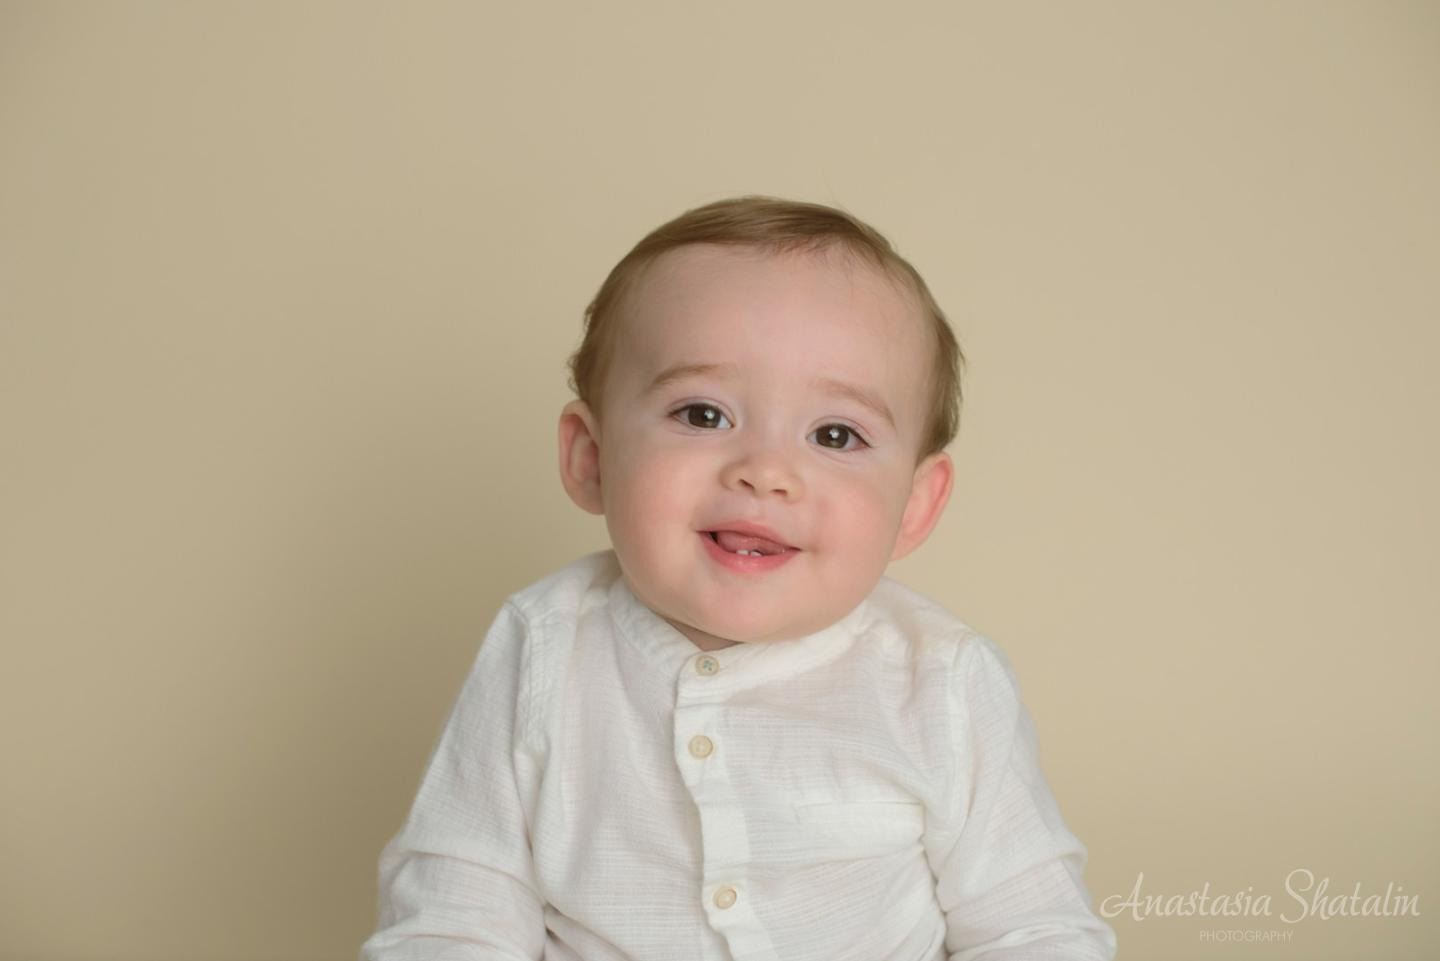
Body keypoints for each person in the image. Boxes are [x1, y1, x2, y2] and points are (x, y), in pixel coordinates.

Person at [360, 196, 1117, 961]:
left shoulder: (940, 680)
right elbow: (458, 905)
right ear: (591, 457)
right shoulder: (545, 644)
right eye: (702, 414)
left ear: (915, 505)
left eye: (835, 434)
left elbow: (1034, 927)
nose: (765, 472)